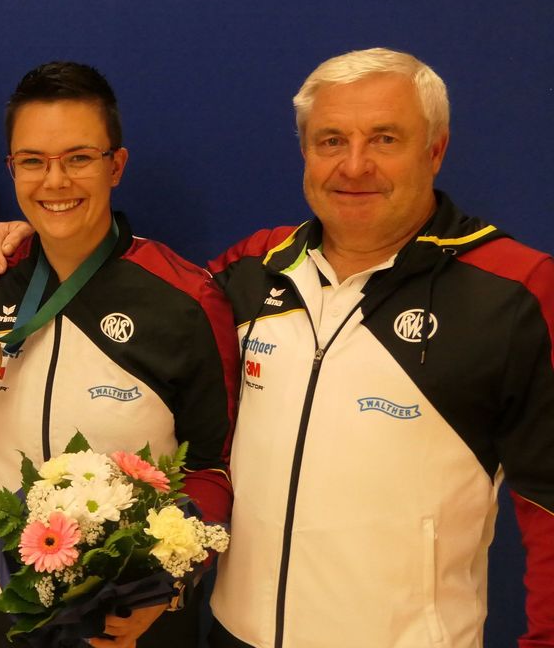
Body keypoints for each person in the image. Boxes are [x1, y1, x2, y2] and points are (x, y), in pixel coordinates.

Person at [204, 48, 554, 647]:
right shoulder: (251, 268)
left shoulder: (516, 290)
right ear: (306, 153)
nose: (354, 165)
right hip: (235, 634)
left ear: (435, 149)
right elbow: (142, 305)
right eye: (331, 141)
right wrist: (43, 241)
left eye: (385, 139)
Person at [0, 62, 238, 648]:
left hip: (124, 613)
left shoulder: (186, 301)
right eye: (33, 161)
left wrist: (164, 586)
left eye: (78, 158)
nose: (55, 181)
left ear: (115, 165)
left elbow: (215, 471)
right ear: (11, 168)